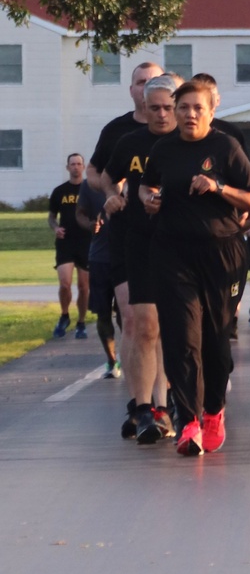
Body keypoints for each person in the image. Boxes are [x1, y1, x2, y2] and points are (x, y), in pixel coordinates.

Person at [140, 81, 250, 457]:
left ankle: (213, 412)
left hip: (221, 253)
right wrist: (150, 200)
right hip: (173, 252)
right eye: (184, 108)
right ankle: (188, 419)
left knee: (215, 337)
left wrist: (218, 186)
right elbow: (146, 187)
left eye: (197, 108)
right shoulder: (163, 149)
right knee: (181, 336)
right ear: (174, 112)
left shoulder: (225, 147)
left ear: (211, 112)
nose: (190, 114)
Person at [103, 74, 182, 443]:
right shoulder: (130, 143)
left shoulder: (193, 143)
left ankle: (165, 405)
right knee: (144, 325)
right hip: (140, 241)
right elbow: (107, 176)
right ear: (144, 109)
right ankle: (144, 407)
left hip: (183, 243)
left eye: (169, 107)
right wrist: (113, 195)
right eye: (155, 108)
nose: (162, 115)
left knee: (170, 327)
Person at [87, 62, 164, 191]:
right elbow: (92, 170)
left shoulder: (179, 130)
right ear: (131, 90)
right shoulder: (114, 130)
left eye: (154, 82)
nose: (147, 87)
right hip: (127, 209)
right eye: (141, 82)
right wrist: (112, 191)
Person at [75, 180, 120, 377]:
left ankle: (134, 355)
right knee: (103, 314)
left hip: (128, 258)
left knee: (128, 316)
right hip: (100, 258)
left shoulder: (136, 180)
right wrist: (90, 225)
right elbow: (80, 214)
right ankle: (112, 360)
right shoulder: (90, 186)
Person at [49, 154, 90, 339]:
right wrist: (56, 228)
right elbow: (51, 217)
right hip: (65, 242)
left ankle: (81, 323)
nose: (75, 167)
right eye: (72, 164)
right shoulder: (59, 191)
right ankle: (64, 315)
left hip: (87, 242)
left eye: (79, 164)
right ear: (67, 167)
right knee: (64, 284)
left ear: (83, 166)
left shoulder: (90, 189)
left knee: (83, 286)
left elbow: (102, 211)